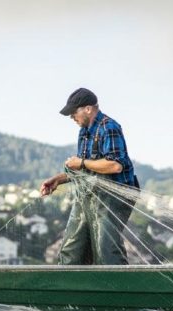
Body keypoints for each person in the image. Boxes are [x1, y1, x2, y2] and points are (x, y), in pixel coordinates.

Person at [40, 88, 138, 265]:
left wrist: (81, 162)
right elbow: (86, 170)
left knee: (106, 249)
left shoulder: (109, 127)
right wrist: (59, 179)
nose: (72, 117)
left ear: (88, 109)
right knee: (72, 248)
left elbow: (115, 165)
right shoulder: (84, 132)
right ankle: (71, 289)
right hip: (90, 194)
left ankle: (117, 290)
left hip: (114, 197)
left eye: (73, 112)